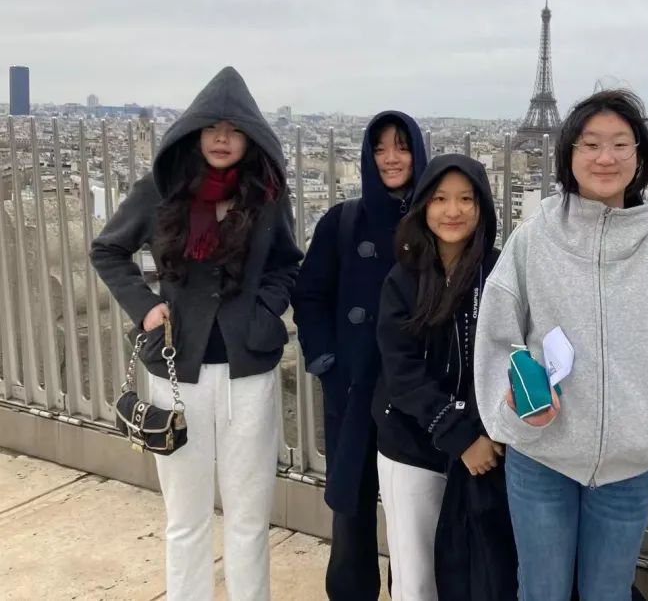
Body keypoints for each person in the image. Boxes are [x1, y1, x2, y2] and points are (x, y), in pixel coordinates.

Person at [474, 88, 648, 601]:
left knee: (608, 592)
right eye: (591, 144)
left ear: (640, 156)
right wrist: (514, 409)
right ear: (569, 154)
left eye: (621, 144)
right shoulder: (534, 237)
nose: (606, 157)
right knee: (542, 591)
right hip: (542, 453)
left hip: (630, 461)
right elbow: (497, 334)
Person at [91, 66, 302, 601]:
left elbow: (287, 264)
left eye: (234, 130)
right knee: (185, 518)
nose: (223, 138)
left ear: (251, 137)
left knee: (249, 517)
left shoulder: (267, 195)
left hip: (247, 371)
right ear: (194, 131)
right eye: (213, 127)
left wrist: (264, 310)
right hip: (176, 370)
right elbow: (108, 249)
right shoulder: (160, 191)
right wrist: (146, 308)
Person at [291, 110, 427, 600]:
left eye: (402, 146)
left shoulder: (436, 221)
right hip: (353, 386)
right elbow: (309, 295)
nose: (391, 158)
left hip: (412, 391)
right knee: (351, 511)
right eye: (380, 148)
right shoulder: (343, 222)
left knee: (414, 514)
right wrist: (326, 363)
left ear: (418, 152)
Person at [373, 154, 515, 601]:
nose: (453, 211)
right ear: (423, 206)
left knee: (477, 573)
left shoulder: (500, 274)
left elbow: (510, 357)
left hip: (483, 449)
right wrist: (459, 435)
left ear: (482, 207)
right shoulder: (403, 278)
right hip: (414, 444)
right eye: (439, 199)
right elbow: (401, 371)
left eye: (466, 199)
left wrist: (485, 434)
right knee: (416, 578)